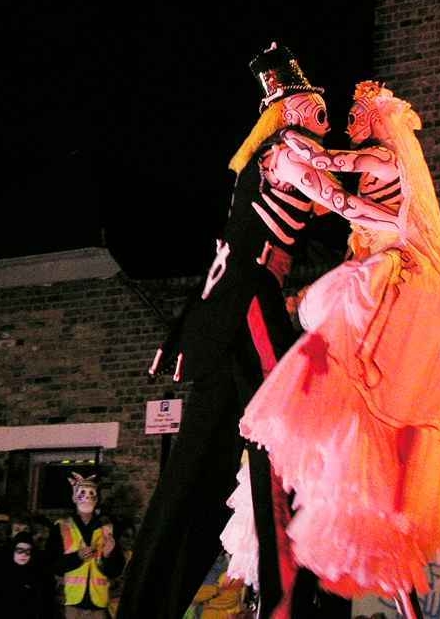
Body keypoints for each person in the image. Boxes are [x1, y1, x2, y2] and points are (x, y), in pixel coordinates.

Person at [222, 81, 440, 617]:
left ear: (377, 119)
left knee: (350, 376)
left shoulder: (380, 157)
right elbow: (336, 190)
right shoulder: (380, 166)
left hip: (400, 286)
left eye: (355, 113)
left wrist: (295, 146)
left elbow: (336, 180)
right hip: (403, 286)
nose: (348, 120)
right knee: (367, 419)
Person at [116, 43, 349, 619]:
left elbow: (317, 211)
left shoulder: (279, 155)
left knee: (199, 461)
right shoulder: (287, 151)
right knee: (284, 427)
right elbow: (337, 199)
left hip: (235, 306)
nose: (323, 111)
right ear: (290, 110)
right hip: (249, 297)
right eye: (312, 103)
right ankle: (284, 597)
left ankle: (150, 602)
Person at [48, 473, 125, 619]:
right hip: (71, 602)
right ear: (74, 497)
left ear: (97, 498)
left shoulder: (108, 528)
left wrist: (108, 556)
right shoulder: (61, 527)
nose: (87, 497)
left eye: (92, 493)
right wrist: (76, 557)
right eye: (82, 492)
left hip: (99, 604)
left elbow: (115, 571)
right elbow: (52, 564)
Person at [0, 531, 46, 619]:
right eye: (19, 550)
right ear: (12, 551)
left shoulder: (37, 575)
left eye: (28, 551)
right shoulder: (0, 574)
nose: (24, 555)